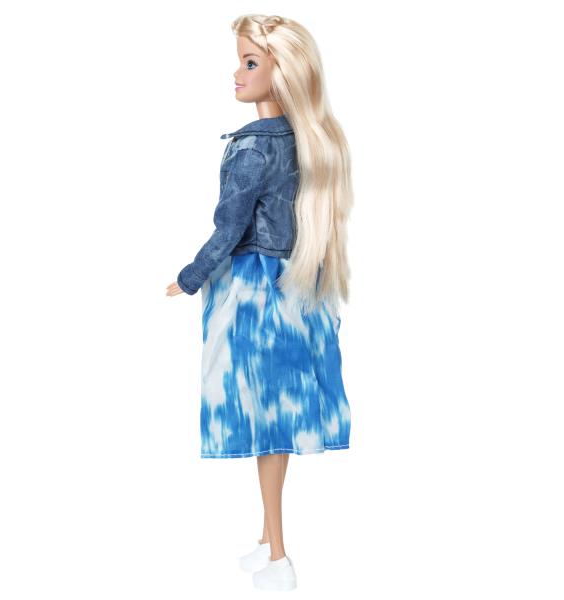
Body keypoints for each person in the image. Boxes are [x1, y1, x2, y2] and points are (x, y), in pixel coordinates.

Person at [166, 13, 353, 591]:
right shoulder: (309, 143)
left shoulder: (252, 146)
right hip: (295, 288)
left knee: (265, 424)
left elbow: (228, 229)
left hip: (253, 294)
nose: (237, 73)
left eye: (250, 62)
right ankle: (268, 540)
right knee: (273, 420)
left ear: (282, 70)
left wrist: (189, 277)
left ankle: (279, 556)